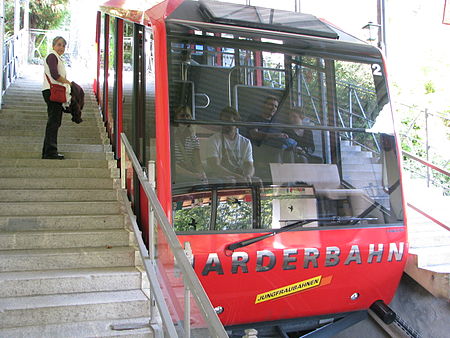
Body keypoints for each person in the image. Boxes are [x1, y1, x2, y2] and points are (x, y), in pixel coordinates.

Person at [206, 106, 255, 183]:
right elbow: (214, 166)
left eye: (228, 120)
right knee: (230, 181)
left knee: (258, 181)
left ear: (237, 123)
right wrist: (236, 176)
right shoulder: (213, 140)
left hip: (240, 176)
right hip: (219, 177)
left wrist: (248, 175)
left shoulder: (245, 142)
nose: (225, 124)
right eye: (223, 121)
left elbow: (249, 164)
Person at [42, 36, 72, 160]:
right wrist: (68, 83)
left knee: (54, 121)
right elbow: (55, 74)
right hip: (52, 91)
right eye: (59, 44)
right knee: (54, 122)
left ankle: (48, 150)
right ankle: (50, 152)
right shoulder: (52, 56)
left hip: (52, 91)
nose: (61, 47)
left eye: (63, 45)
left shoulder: (57, 57)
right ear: (53, 45)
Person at [246, 96, 297, 163]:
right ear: (264, 105)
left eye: (275, 106)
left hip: (278, 150)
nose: (273, 108)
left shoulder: (276, 123)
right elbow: (254, 134)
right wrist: (274, 135)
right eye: (271, 105)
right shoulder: (254, 118)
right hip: (258, 149)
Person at [172, 106, 207, 184]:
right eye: (182, 116)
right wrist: (193, 176)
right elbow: (172, 165)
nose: (185, 118)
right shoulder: (170, 138)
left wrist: (202, 174)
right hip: (175, 177)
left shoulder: (193, 138)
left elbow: (197, 162)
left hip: (190, 174)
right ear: (176, 118)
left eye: (187, 116)